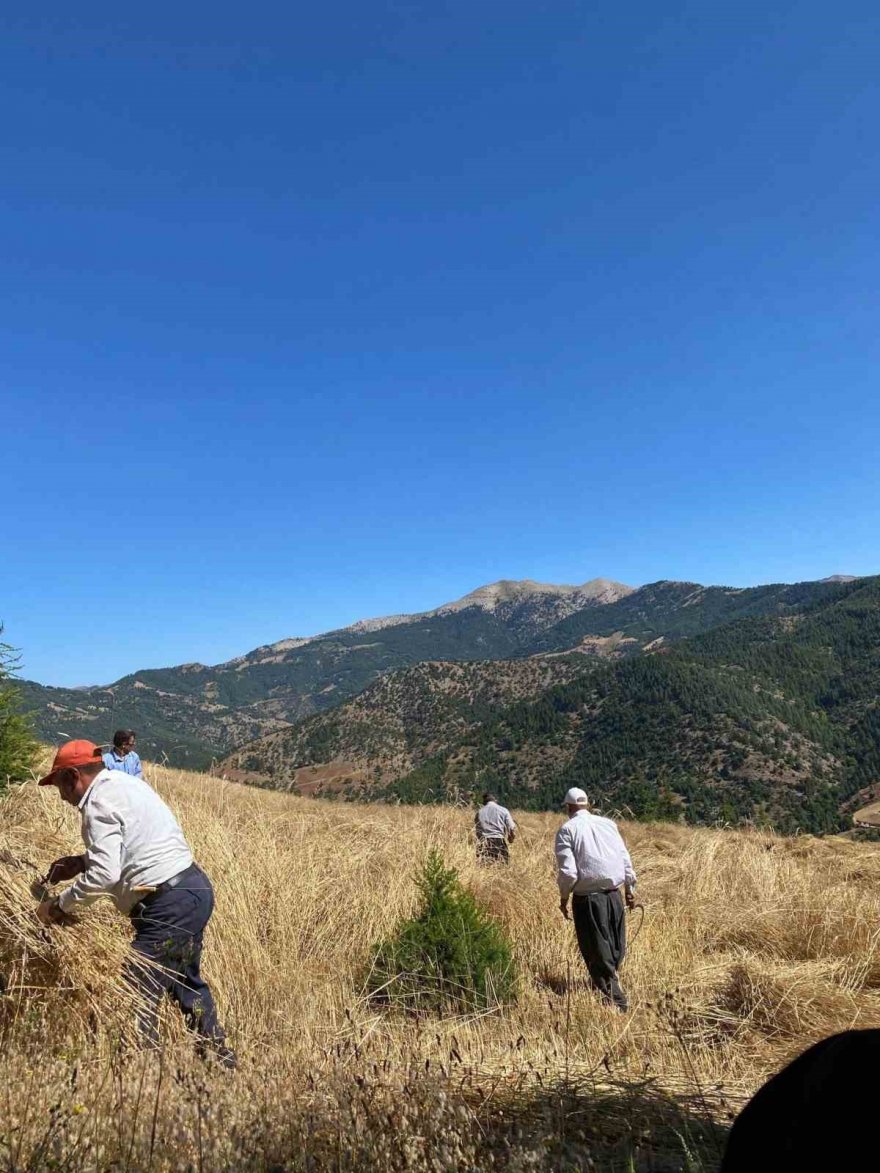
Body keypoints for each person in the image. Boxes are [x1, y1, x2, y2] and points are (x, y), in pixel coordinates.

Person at [36, 739, 235, 1067]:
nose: (61, 796)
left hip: (168, 905)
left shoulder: (97, 803)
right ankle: (219, 1062)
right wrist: (80, 863)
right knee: (186, 984)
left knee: (135, 986)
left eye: (59, 785)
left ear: (73, 776)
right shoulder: (124, 784)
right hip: (192, 890)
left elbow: (105, 875)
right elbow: (132, 844)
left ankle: (144, 1076)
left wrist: (57, 907)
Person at [555, 787, 637, 1012]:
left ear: (568, 807)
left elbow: (569, 873)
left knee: (596, 949)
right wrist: (629, 889)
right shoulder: (608, 824)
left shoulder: (567, 830)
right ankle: (611, 985)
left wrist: (564, 898)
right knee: (615, 946)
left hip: (588, 900)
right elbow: (625, 859)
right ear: (587, 805)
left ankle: (616, 1001)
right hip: (614, 895)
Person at [474, 792, 517, 863]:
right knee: (501, 866)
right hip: (499, 842)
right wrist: (511, 839)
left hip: (484, 843)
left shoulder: (479, 812)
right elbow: (511, 828)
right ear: (495, 800)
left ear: (484, 801)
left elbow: (477, 830)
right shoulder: (504, 810)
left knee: (484, 866)